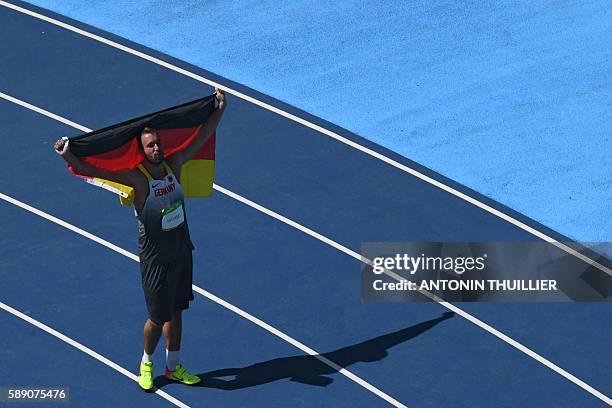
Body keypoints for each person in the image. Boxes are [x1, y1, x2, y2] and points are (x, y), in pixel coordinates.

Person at [54, 89, 227, 390]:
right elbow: (89, 168)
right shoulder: (137, 178)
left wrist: (220, 109)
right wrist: (68, 153)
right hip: (156, 260)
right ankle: (146, 363)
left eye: (158, 143)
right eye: (151, 145)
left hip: (182, 250)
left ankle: (173, 368)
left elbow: (202, 135)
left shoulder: (174, 165)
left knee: (177, 310)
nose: (157, 148)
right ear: (142, 150)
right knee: (157, 318)